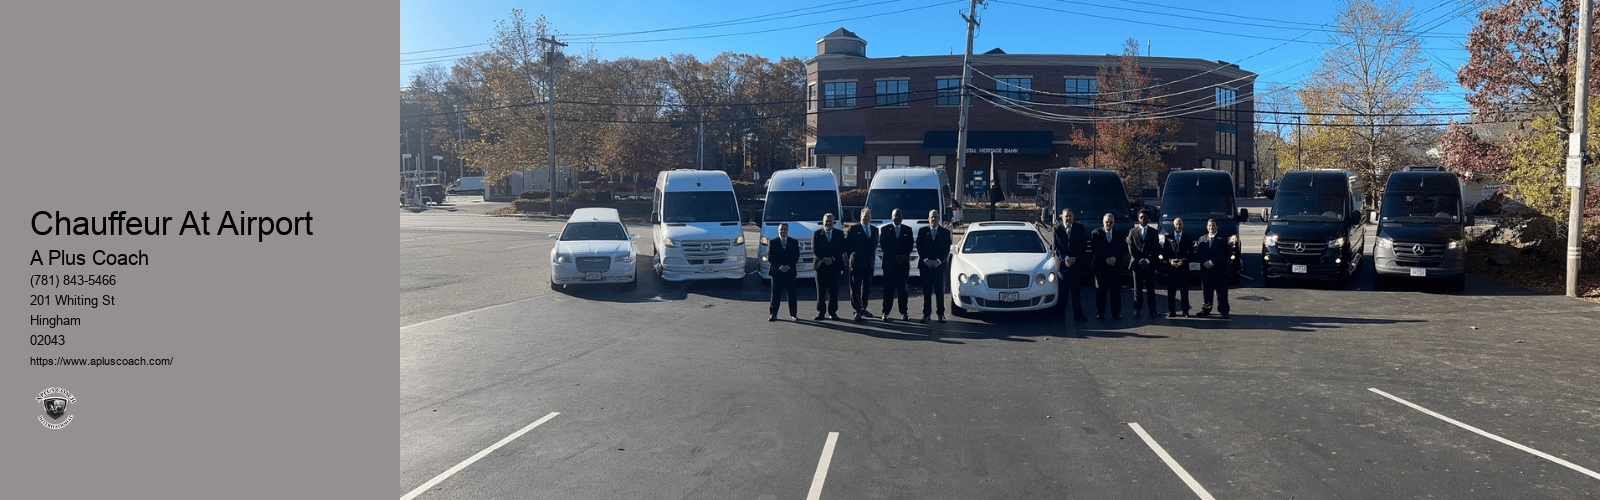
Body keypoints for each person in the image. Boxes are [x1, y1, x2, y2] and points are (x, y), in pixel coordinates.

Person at [1051, 208, 1088, 321]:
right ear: (1062, 217)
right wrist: (1066, 259)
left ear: (1073, 217)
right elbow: (1056, 248)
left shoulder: (1080, 228)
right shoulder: (1056, 229)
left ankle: (1078, 315)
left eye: (1070, 216)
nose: (1068, 218)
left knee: (1076, 292)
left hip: (1076, 265)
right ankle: (1060, 315)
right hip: (1063, 266)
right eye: (1066, 216)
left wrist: (1073, 259)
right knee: (1063, 292)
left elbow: (1083, 246)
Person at [1088, 213, 1128, 320]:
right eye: (1107, 222)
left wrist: (1115, 258)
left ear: (1113, 223)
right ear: (1103, 222)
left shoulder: (1119, 234)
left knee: (1115, 292)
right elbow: (1095, 250)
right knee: (1101, 292)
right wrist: (1105, 259)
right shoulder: (1096, 233)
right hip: (1101, 267)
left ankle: (1116, 312)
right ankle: (1100, 312)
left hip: (1115, 268)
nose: (1108, 224)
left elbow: (1123, 250)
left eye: (1111, 222)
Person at [916, 209, 952, 323]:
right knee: (926, 292)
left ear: (939, 219)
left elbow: (946, 249)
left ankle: (941, 314)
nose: (933, 219)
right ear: (928, 218)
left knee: (939, 292)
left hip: (939, 267)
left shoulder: (945, 232)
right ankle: (926, 314)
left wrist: (938, 261)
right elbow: (919, 247)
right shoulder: (922, 231)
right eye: (931, 217)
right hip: (925, 266)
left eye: (935, 217)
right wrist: (926, 260)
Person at [879, 208, 915, 322]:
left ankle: (904, 312)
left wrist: (902, 256)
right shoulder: (885, 229)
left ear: (902, 217)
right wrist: (894, 257)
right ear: (891, 217)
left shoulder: (908, 230)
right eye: (895, 215)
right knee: (888, 290)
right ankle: (885, 312)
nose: (897, 217)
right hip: (889, 264)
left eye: (899, 215)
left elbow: (910, 246)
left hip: (903, 264)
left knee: (902, 290)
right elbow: (884, 245)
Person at [844, 209, 879, 321]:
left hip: (869, 263)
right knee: (855, 287)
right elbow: (847, 245)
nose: (866, 218)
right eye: (864, 216)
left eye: (868, 216)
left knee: (866, 287)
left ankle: (864, 307)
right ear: (860, 217)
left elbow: (874, 246)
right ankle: (857, 309)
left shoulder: (875, 230)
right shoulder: (854, 229)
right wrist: (852, 257)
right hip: (856, 262)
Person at [1126, 210, 1161, 317]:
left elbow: (1156, 248)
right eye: (1141, 217)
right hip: (1137, 264)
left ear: (1148, 218)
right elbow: (1131, 248)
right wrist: (1140, 260)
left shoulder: (1153, 232)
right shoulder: (1132, 232)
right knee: (1137, 289)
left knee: (1151, 288)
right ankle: (1137, 309)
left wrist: (1148, 259)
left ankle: (1152, 309)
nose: (1143, 219)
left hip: (1150, 264)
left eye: (1145, 217)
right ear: (1138, 218)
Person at [1194, 218, 1231, 319]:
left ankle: (1223, 310)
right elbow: (1199, 253)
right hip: (1206, 270)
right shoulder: (1202, 239)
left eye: (1213, 225)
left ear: (1217, 227)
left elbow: (1223, 254)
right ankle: (1206, 309)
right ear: (1207, 227)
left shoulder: (1222, 239)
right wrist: (1204, 262)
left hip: (1219, 270)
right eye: (1209, 225)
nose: (1211, 227)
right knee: (1207, 291)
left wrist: (1211, 262)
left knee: (1221, 292)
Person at [812, 213, 845, 321]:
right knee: (820, 291)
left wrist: (832, 258)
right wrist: (824, 259)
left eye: (830, 221)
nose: (828, 223)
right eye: (826, 221)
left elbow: (842, 248)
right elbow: (815, 248)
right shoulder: (817, 234)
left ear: (833, 222)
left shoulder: (839, 234)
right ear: (823, 222)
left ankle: (833, 312)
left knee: (833, 291)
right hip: (820, 266)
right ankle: (821, 312)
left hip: (835, 266)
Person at [1160, 217, 1194, 317]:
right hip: (1172, 269)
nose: (1178, 226)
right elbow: (1165, 253)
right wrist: (1170, 260)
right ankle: (1171, 311)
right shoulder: (1168, 238)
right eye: (1176, 224)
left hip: (1183, 269)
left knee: (1184, 291)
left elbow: (1191, 254)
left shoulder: (1188, 238)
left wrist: (1183, 261)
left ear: (1182, 225)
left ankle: (1185, 311)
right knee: (1171, 291)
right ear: (1173, 225)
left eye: (1180, 224)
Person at [766, 222, 800, 322]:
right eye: (781, 229)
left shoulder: (793, 242)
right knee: (775, 295)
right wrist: (780, 267)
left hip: (790, 272)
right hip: (777, 272)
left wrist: (788, 266)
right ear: (778, 230)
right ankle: (773, 314)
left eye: (785, 229)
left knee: (792, 294)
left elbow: (796, 256)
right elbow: (770, 257)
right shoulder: (772, 242)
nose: (783, 231)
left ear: (787, 230)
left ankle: (793, 314)